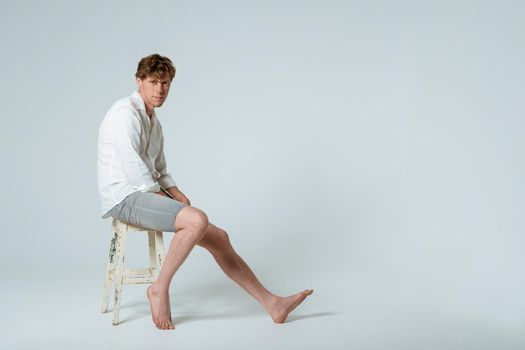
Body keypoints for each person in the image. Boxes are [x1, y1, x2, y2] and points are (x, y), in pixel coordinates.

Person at [97, 53, 313, 330]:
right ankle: (158, 288)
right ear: (139, 81)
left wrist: (178, 195)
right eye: (153, 82)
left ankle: (273, 304)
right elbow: (134, 173)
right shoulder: (125, 114)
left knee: (219, 237)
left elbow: (160, 170)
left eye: (165, 83)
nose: (160, 89)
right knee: (196, 220)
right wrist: (171, 202)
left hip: (145, 192)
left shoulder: (154, 123)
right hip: (123, 197)